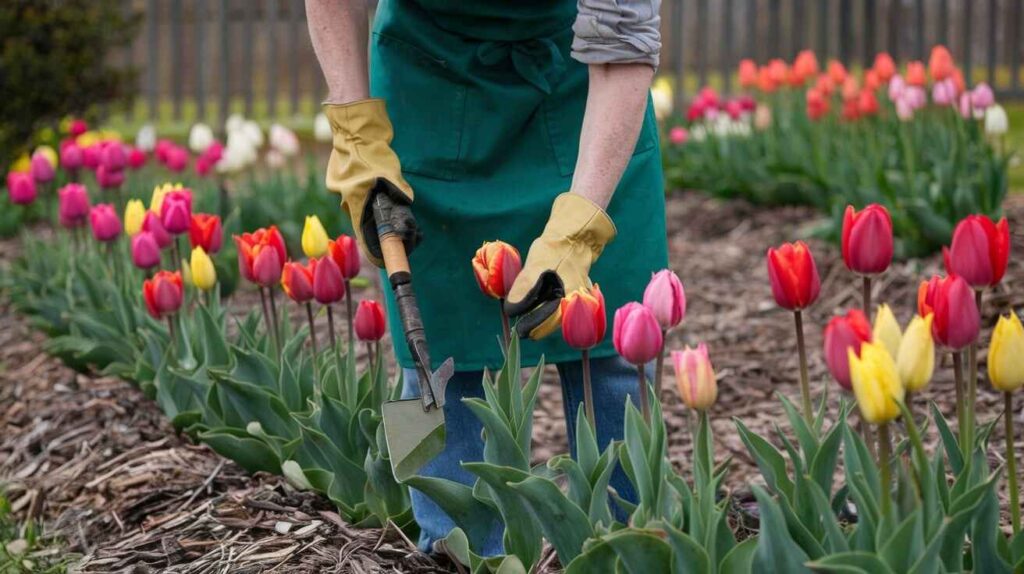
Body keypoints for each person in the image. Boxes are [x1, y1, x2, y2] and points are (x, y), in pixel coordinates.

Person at [307, 0, 667, 555]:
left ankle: (631, 547)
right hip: (425, 83)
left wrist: (580, 228)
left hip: (586, 94)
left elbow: (623, 39)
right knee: (421, 344)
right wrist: (354, 132)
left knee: (617, 337)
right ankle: (444, 549)